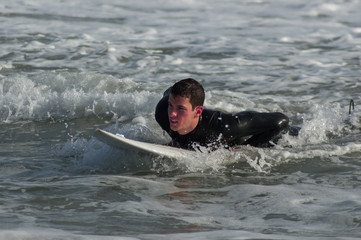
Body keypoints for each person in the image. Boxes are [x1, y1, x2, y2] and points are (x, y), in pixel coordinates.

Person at [155, 78, 299, 151]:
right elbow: (169, 91)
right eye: (171, 106)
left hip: (280, 136)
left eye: (180, 109)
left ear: (197, 111)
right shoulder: (162, 112)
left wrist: (245, 150)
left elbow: (281, 120)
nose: (172, 114)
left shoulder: (223, 127)